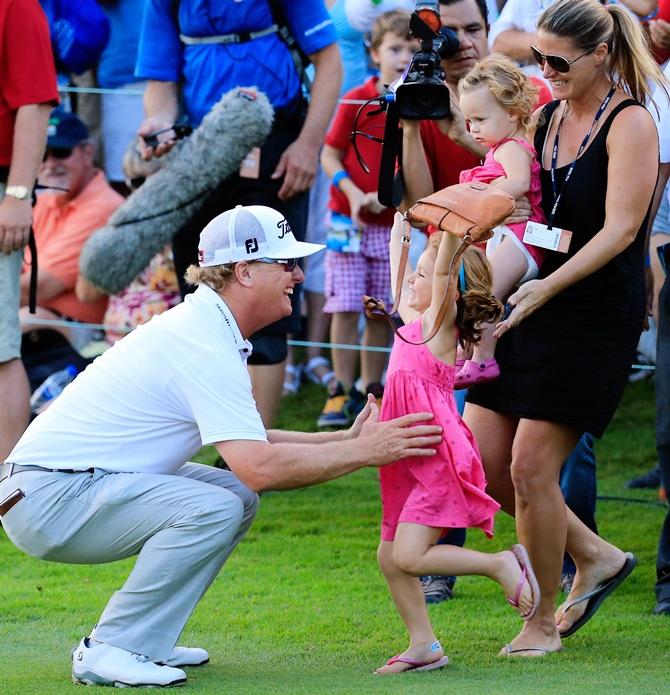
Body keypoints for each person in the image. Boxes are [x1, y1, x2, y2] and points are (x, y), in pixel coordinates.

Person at [0, 203, 442, 688]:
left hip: (57, 488)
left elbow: (250, 442)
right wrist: (368, 451)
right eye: (286, 264)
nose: (298, 274)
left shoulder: (208, 327)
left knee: (232, 498)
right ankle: (111, 647)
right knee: (217, 503)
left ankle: (146, 639)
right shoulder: (203, 341)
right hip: (48, 499)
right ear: (245, 272)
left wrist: (347, 438)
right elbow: (259, 467)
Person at [463, 0, 667, 655]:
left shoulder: (632, 120)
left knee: (529, 468)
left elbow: (621, 230)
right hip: (532, 301)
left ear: (601, 54)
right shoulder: (547, 116)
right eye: (538, 59)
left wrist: (546, 281)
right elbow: (534, 214)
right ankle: (597, 555)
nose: (544, 72)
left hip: (592, 313)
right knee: (483, 466)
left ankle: (543, 620)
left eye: (558, 62)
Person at [135, 0, 343, 428]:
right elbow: (161, 82)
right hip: (198, 148)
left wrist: (307, 145)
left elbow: (329, 61)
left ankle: (255, 448)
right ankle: (221, 435)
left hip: (277, 145)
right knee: (202, 297)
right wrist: (158, 125)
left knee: (269, 289)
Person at [373, 213, 540, 674]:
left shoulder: (439, 325)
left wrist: (450, 230)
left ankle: (502, 565)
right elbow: (400, 288)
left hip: (433, 454)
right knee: (390, 556)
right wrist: (399, 241)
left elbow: (444, 272)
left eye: (422, 275)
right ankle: (423, 645)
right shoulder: (415, 323)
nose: (413, 279)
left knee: (408, 554)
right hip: (407, 454)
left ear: (450, 293)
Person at [317, 10, 417, 428]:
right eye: (395, 48)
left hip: (388, 228)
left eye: (413, 50)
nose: (403, 57)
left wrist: (391, 193)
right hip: (348, 221)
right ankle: (339, 390)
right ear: (374, 53)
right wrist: (356, 194)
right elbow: (329, 153)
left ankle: (369, 388)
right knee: (344, 306)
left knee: (381, 310)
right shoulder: (357, 98)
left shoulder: (418, 108)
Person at [454, 55, 547, 387]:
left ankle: (481, 359)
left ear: (511, 112)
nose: (472, 128)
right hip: (509, 236)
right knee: (478, 291)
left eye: (479, 119)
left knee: (485, 294)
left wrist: (481, 198)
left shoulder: (511, 147)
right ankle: (469, 352)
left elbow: (520, 183)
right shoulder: (500, 147)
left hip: (521, 238)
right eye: (468, 120)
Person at [0, 0, 59, 462]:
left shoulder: (17, 6)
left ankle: (6, 483)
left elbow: (35, 103)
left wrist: (18, 195)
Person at [20, 109, 124, 349]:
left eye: (61, 152)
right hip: (40, 318)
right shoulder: (45, 199)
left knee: (21, 320)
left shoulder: (102, 207)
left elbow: (37, 288)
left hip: (84, 335)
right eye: (41, 155)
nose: (49, 164)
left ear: (87, 152)